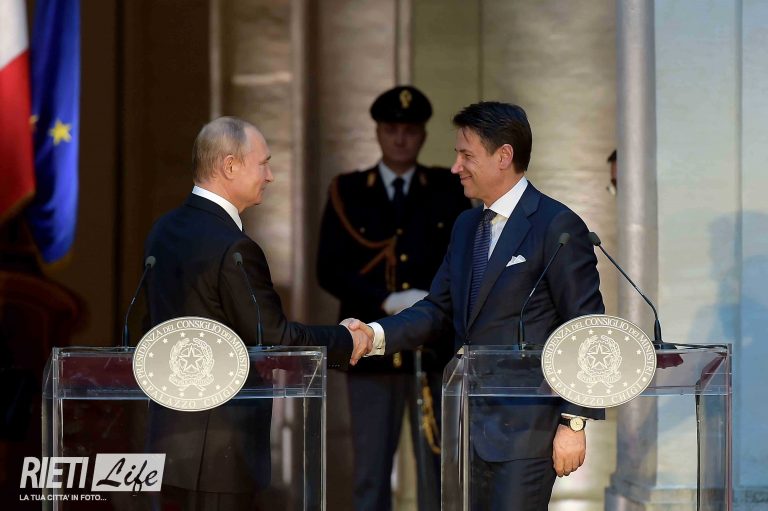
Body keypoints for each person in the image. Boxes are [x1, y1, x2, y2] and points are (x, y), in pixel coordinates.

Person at [346, 101, 605, 510]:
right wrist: (374, 334)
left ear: (503, 156)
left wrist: (574, 422)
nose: (456, 167)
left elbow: (586, 327)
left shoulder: (556, 226)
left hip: (527, 432)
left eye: (466, 155)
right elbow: (438, 309)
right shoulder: (467, 226)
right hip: (467, 426)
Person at [142, 116, 371, 510]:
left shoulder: (163, 230)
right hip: (220, 451)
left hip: (169, 442)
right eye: (263, 163)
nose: (270, 176)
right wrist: (346, 339)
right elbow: (274, 339)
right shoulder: (234, 247)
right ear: (230, 166)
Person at [317, 85, 471, 511]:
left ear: (423, 135)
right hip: (370, 354)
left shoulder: (446, 188)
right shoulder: (348, 190)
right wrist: (385, 299)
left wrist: (430, 300)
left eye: (410, 130)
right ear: (378, 133)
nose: (401, 138)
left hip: (433, 352)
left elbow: (464, 261)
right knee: (371, 473)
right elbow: (328, 269)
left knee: (438, 472)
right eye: (391, 129)